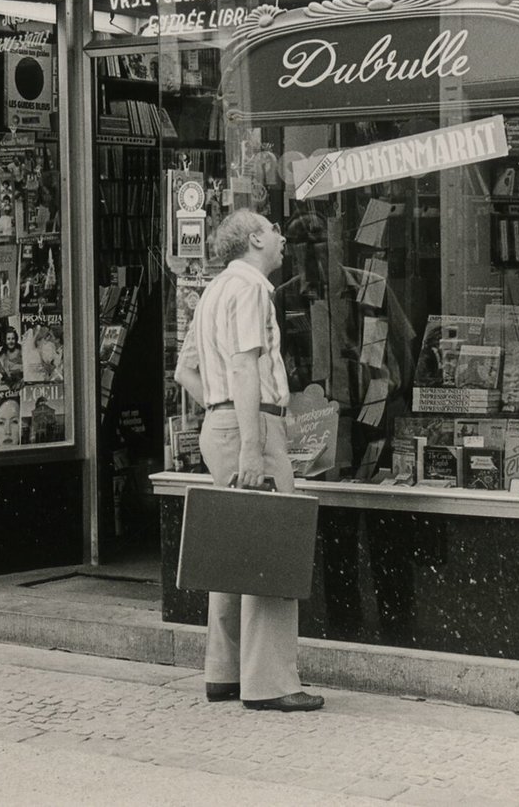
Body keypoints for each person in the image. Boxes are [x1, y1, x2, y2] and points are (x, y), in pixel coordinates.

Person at [173, 208, 323, 714]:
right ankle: (270, 682)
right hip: (251, 421)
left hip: (221, 423)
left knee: (234, 547)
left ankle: (224, 671)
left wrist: (219, 412)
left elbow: (184, 371)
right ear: (256, 238)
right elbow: (244, 364)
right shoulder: (255, 288)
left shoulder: (214, 290)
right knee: (271, 546)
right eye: (275, 230)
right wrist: (252, 441)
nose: (283, 237)